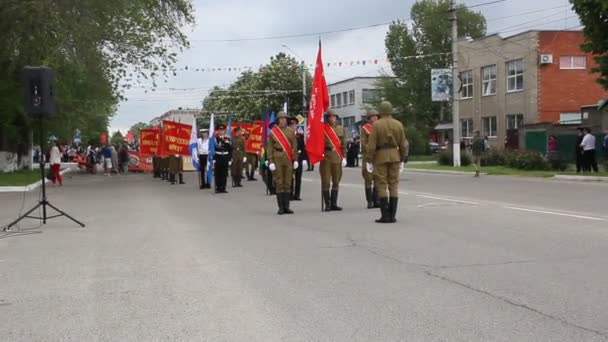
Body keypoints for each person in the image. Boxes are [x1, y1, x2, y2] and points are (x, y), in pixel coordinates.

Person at [366, 101, 408, 223]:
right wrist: (403, 156)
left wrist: (369, 159)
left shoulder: (377, 125)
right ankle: (393, 215)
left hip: (381, 156)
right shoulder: (398, 124)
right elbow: (403, 143)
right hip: (395, 155)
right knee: (394, 184)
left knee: (382, 184)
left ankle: (385, 215)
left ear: (380, 112)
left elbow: (372, 144)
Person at [267, 112, 298, 214]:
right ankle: (280, 207)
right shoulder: (273, 132)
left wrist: (296, 160)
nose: (283, 120)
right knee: (279, 182)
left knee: (288, 182)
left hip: (288, 159)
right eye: (281, 118)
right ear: (278, 120)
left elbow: (294, 147)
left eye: (285, 118)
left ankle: (287, 207)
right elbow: (269, 148)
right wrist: (270, 161)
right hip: (277, 158)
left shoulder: (290, 131)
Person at [320, 109, 347, 212]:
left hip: (337, 157)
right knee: (326, 181)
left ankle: (334, 203)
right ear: (327, 118)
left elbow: (344, 144)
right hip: (326, 157)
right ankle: (327, 204)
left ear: (336, 118)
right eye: (330, 116)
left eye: (333, 116)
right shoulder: (323, 128)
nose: (332, 118)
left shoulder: (341, 129)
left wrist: (344, 157)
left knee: (336, 180)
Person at [361, 109, 380, 209]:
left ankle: (376, 200)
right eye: (373, 116)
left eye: (376, 116)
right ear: (369, 118)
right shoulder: (365, 128)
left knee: (377, 178)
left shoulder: (379, 127)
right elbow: (364, 143)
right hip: (368, 156)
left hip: (378, 157)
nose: (375, 118)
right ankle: (369, 201)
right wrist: (371, 151)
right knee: (368, 179)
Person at [289, 117, 307, 201]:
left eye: (295, 124)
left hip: (299, 158)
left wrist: (304, 159)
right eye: (291, 124)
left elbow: (303, 147)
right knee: (290, 177)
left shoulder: (300, 135)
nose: (293, 126)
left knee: (298, 177)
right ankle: (290, 194)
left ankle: (297, 195)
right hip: (290, 158)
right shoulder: (287, 135)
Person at [213, 124, 232, 193]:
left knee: (224, 174)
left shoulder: (227, 138)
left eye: (222, 130)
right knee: (218, 173)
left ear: (224, 131)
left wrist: (230, 159)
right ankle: (218, 187)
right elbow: (213, 150)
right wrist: (213, 159)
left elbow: (230, 150)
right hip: (218, 157)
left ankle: (223, 188)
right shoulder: (215, 139)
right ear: (217, 131)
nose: (221, 131)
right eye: (220, 130)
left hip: (225, 158)